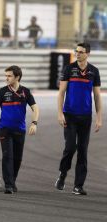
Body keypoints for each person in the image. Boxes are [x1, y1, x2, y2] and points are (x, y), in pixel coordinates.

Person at [55, 43, 102, 195]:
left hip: (85, 117)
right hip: (69, 115)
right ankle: (62, 173)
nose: (77, 54)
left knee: (83, 150)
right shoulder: (69, 69)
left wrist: (99, 117)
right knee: (70, 147)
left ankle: (78, 186)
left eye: (81, 52)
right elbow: (61, 92)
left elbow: (97, 96)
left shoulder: (94, 71)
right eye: (76, 51)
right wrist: (60, 113)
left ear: (88, 53)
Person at [0, 65, 39, 194]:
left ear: (17, 77)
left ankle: (12, 180)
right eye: (5, 76)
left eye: (9, 76)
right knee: (7, 156)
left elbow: (36, 108)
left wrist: (34, 123)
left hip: (20, 130)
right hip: (4, 129)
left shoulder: (25, 92)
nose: (6, 78)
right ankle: (8, 185)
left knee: (17, 159)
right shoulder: (2, 92)